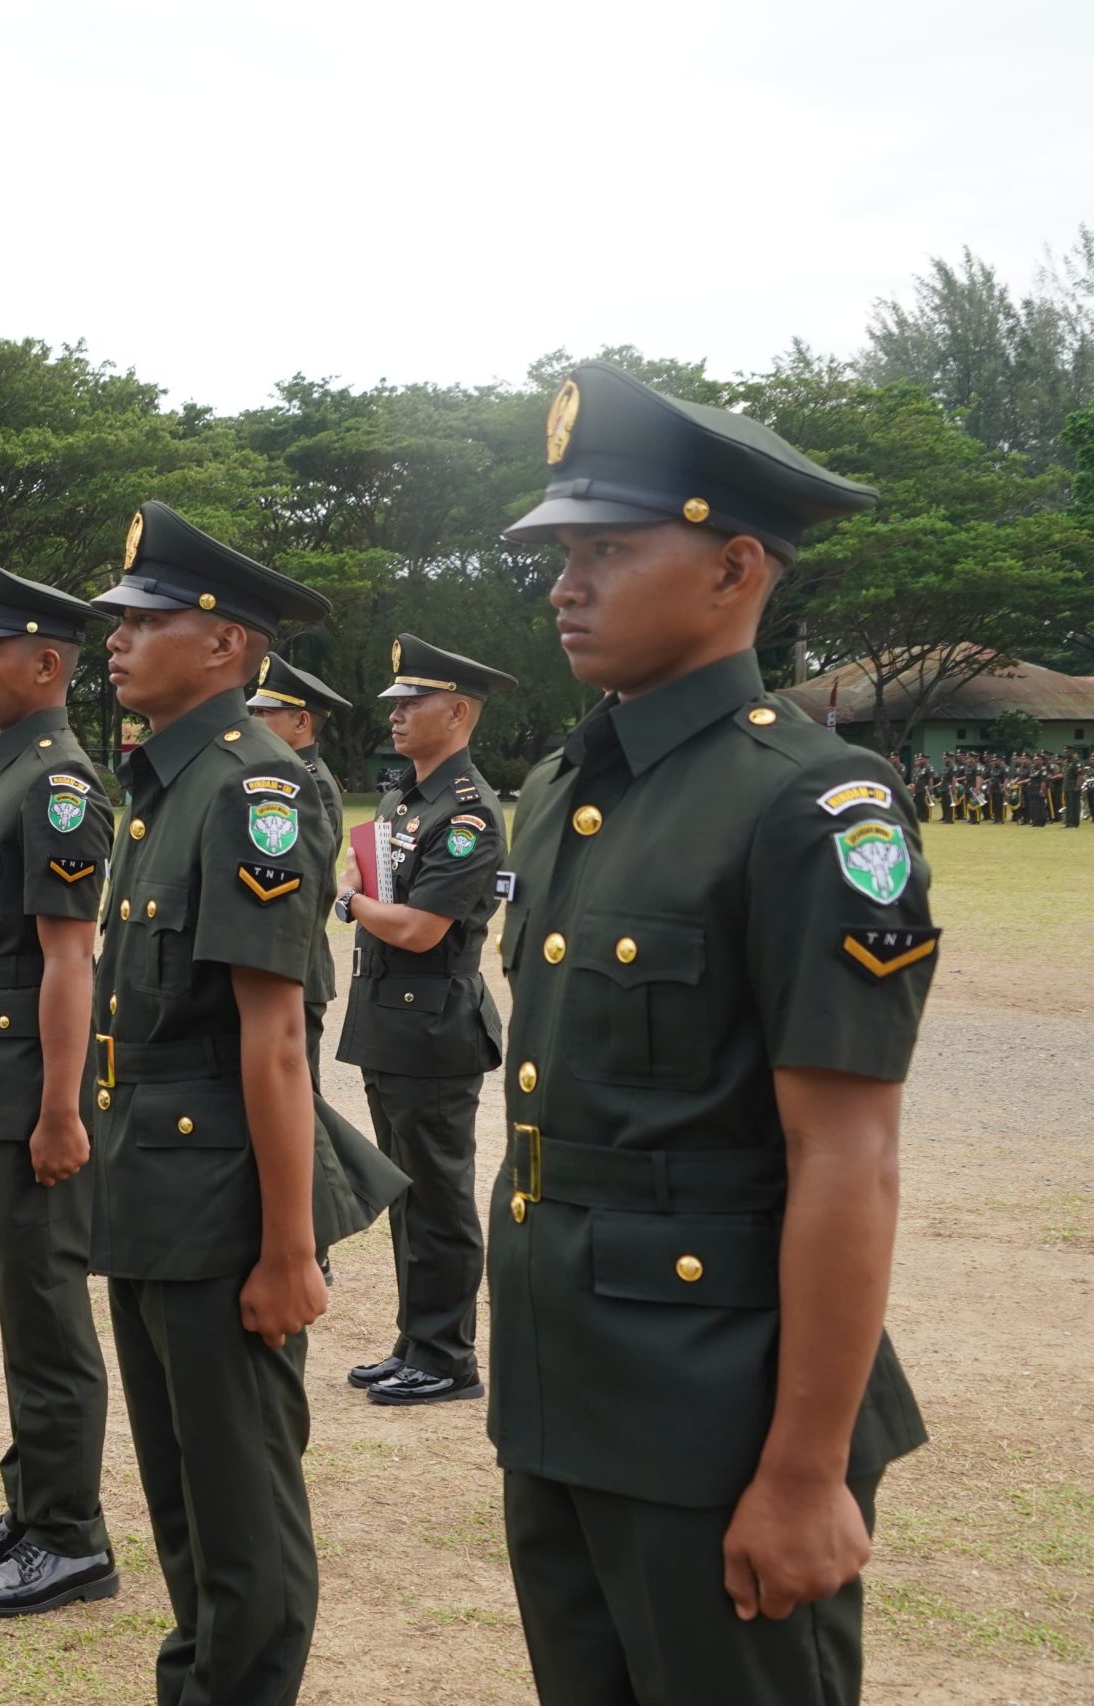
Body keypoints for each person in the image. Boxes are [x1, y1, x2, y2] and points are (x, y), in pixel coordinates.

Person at [493, 359, 934, 1705]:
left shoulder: (812, 806)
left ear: (738, 567)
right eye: (563, 553)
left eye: (611, 550)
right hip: (565, 1384)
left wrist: (804, 1470)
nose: (568, 583)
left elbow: (846, 1156)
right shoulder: (570, 784)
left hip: (716, 1409)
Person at [87, 500, 384, 1705]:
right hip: (153, 1190)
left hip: (222, 1208)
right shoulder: (161, 782)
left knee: (242, 1507)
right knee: (180, 1496)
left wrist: (288, 1247)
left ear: (223, 644)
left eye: (142, 620)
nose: (114, 639)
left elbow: (273, 1038)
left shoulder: (251, 790)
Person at [0, 558, 119, 1616]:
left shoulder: (55, 784)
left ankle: (70, 1535)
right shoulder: (15, 771)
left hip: (36, 1089)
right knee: (24, 1301)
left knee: (48, 1309)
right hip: (7, 1077)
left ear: (46, 663)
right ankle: (34, 1495)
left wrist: (61, 1108)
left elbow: (69, 958)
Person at [334, 632, 514, 1407]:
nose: (399, 714)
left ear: (460, 711)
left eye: (416, 702)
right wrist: (367, 894)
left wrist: (351, 902)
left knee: (439, 1193)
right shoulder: (409, 796)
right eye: (397, 702)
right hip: (391, 1018)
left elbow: (419, 928)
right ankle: (416, 1338)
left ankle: (448, 1356)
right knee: (406, 1189)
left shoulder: (468, 813)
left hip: (436, 1021)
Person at [245, 652, 355, 1091]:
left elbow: (301, 883)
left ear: (301, 722)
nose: (254, 720)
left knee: (295, 1104)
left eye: (266, 712)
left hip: (294, 967)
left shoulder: (308, 783)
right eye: (253, 710)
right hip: (278, 964)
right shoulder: (283, 773)